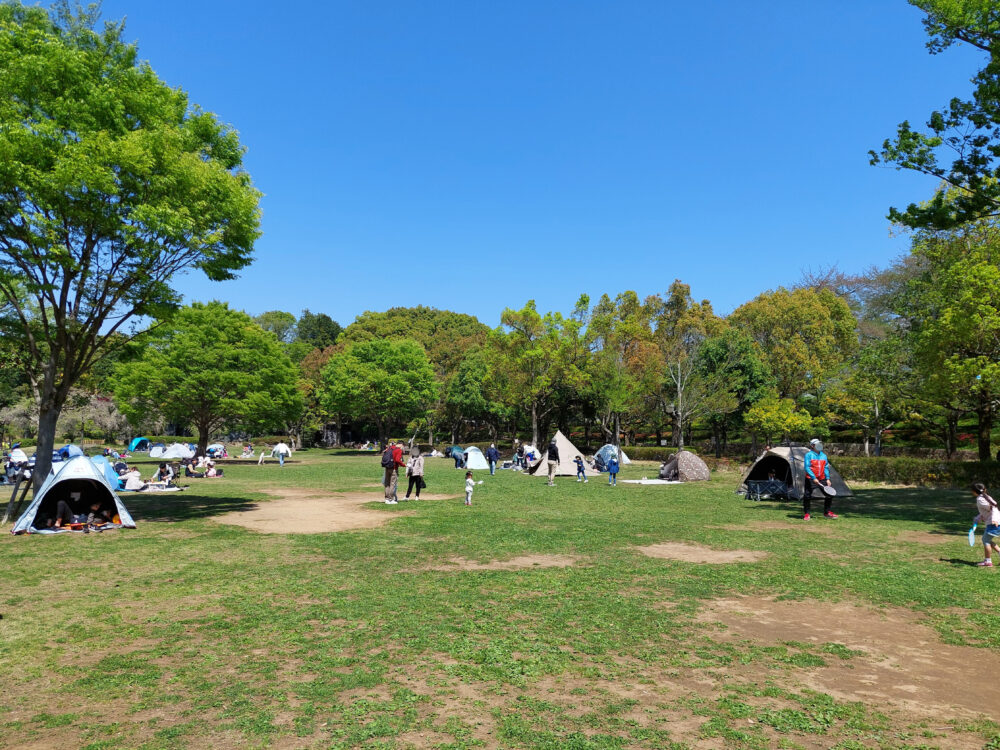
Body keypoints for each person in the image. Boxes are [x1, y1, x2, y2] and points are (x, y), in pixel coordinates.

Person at [803, 439, 836, 520]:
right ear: (812, 446)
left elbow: (825, 467)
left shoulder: (824, 456)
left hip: (822, 478)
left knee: (829, 495)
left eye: (820, 443)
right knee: (807, 496)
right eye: (817, 444)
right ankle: (807, 514)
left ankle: (827, 512)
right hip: (810, 479)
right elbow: (807, 467)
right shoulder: (808, 455)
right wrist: (813, 478)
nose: (819, 445)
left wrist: (827, 479)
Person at [972, 482, 1000, 567]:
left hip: (994, 523)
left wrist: (994, 519)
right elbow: (987, 511)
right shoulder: (986, 497)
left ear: (974, 491)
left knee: (985, 540)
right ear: (984, 489)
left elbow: (993, 508)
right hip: (997, 521)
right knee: (987, 540)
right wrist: (978, 518)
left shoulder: (980, 499)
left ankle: (988, 561)